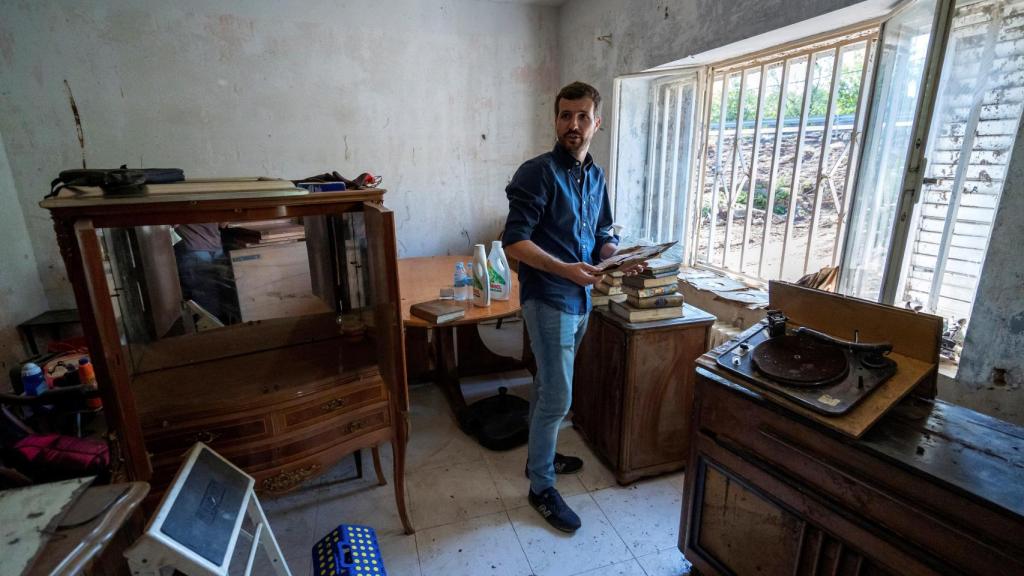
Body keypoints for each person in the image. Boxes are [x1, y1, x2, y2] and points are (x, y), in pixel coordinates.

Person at [502, 81, 641, 533]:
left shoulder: (595, 177)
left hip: (581, 296)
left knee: (548, 386)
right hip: (549, 299)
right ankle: (540, 486)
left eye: (583, 117)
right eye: (565, 115)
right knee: (559, 396)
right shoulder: (537, 173)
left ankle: (538, 459)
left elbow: (603, 233)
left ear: (596, 123)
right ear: (555, 119)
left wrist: (616, 257)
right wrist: (566, 270)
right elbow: (515, 242)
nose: (573, 125)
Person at [173, 223, 233, 324]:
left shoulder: (176, 206)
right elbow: (223, 224)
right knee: (220, 291)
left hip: (195, 249)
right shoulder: (215, 205)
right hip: (216, 248)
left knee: (204, 296)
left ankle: (212, 332)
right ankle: (220, 329)